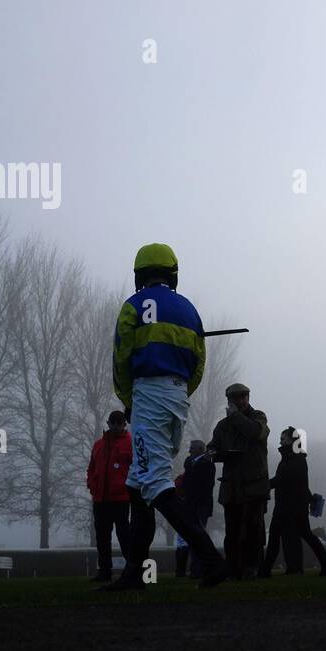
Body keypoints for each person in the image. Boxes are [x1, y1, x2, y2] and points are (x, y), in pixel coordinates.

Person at [103, 244, 227, 591]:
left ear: (139, 274)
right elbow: (200, 363)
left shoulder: (133, 306)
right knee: (136, 486)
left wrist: (130, 400)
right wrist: (179, 395)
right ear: (172, 273)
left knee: (155, 483)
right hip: (177, 398)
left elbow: (121, 356)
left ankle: (212, 560)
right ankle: (134, 573)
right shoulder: (188, 309)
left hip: (148, 397)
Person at [209, 382, 270, 580]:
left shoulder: (258, 417)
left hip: (254, 484)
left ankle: (252, 567)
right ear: (229, 401)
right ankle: (233, 568)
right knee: (232, 531)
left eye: (243, 397)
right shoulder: (222, 426)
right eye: (236, 398)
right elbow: (214, 445)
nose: (241, 401)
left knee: (253, 529)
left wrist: (235, 416)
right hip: (231, 486)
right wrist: (211, 452)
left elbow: (256, 433)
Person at [260, 427, 326, 577]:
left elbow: (284, 479)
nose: (280, 441)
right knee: (301, 536)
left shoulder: (294, 459)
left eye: (283, 438)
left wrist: (264, 485)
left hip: (290, 507)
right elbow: (298, 483)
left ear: (291, 440)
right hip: (292, 506)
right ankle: (316, 567)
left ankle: (278, 569)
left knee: (281, 537)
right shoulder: (295, 458)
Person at [85, 410, 132, 582]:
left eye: (119, 423)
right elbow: (91, 468)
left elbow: (135, 468)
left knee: (124, 535)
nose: (116, 426)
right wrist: (91, 484)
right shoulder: (98, 445)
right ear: (109, 423)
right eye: (113, 423)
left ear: (124, 424)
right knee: (102, 537)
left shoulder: (130, 443)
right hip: (101, 498)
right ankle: (105, 570)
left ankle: (131, 568)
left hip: (120, 498)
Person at [181, 439, 216, 578]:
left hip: (200, 505)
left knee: (198, 538)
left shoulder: (207, 465)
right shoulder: (194, 463)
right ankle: (197, 568)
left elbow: (206, 486)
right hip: (194, 505)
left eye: (192, 448)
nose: (189, 451)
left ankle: (198, 568)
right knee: (195, 537)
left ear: (200, 450)